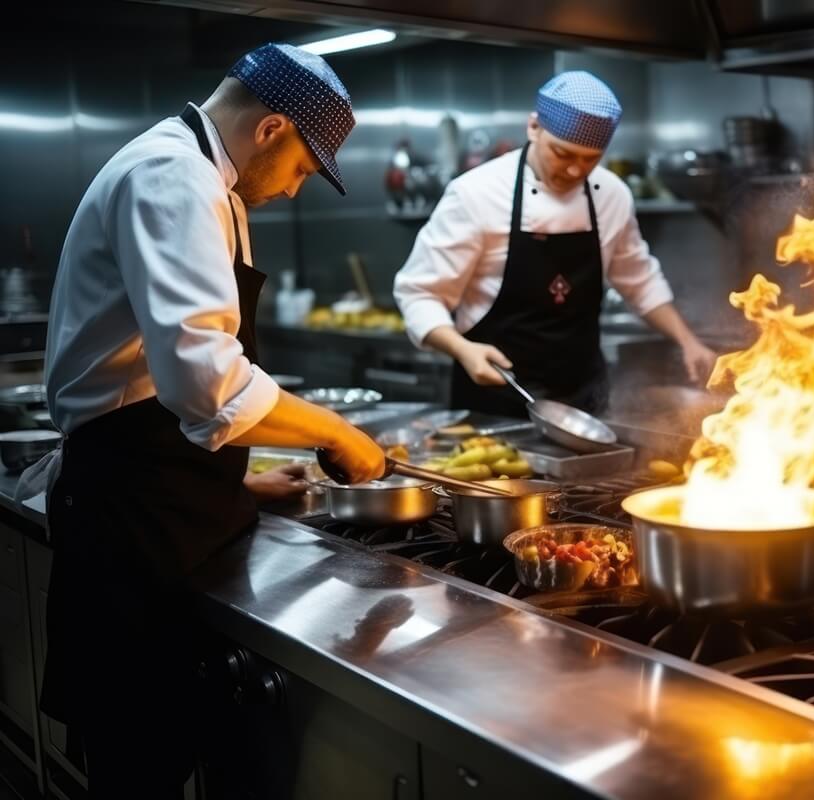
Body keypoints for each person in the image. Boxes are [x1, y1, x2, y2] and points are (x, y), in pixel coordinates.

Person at [36, 43, 384, 798]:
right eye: (301, 166)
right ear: (271, 128)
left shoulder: (208, 181)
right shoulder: (172, 178)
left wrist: (233, 492)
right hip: (128, 523)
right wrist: (336, 430)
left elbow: (172, 379)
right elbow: (207, 382)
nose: (295, 191)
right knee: (139, 770)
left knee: (179, 755)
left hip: (162, 501)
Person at [393, 70, 716, 417]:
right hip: (496, 401)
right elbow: (419, 293)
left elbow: (639, 280)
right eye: (563, 154)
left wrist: (688, 341)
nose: (576, 171)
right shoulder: (476, 193)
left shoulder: (612, 194)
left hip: (585, 400)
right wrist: (462, 349)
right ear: (534, 127)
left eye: (590, 159)